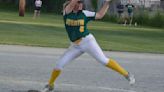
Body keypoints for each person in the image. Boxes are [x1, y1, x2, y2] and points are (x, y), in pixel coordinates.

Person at [41, 0, 135, 92]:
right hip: (75, 46)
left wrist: (107, 3)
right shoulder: (67, 11)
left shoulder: (85, 13)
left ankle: (127, 74)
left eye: (81, 2)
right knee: (59, 65)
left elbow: (100, 15)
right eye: (79, 2)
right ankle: (50, 85)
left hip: (88, 41)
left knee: (103, 60)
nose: (81, 3)